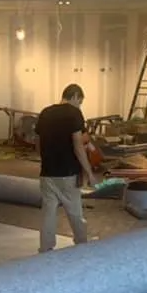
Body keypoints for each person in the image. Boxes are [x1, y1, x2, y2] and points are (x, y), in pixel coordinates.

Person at [35, 84, 96, 253]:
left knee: (48, 213)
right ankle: (82, 244)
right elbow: (78, 145)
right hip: (68, 173)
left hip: (47, 173)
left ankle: (45, 248)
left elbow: (37, 143)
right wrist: (89, 172)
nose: (80, 106)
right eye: (80, 102)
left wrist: (46, 160)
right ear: (75, 96)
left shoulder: (45, 112)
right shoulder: (74, 113)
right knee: (75, 212)